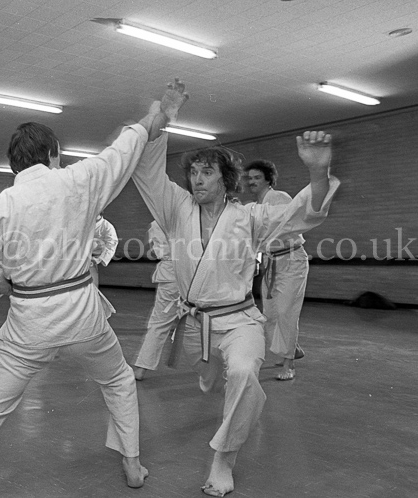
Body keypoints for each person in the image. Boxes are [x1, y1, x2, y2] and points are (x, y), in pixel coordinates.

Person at [0, 84, 185, 497]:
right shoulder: (80, 179)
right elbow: (124, 149)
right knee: (119, 381)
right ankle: (133, 465)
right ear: (54, 153)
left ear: (14, 163)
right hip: (83, 318)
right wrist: (158, 116)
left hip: (27, 324)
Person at [131, 80, 339, 497]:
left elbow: (303, 214)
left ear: (227, 181)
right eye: (193, 171)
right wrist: (161, 120)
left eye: (207, 171)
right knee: (212, 382)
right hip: (196, 326)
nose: (196, 178)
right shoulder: (175, 209)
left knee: (244, 373)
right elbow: (148, 171)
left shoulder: (251, 218)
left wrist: (318, 171)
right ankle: (242, 402)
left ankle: (223, 460)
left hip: (240, 319)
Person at [131, 220, 180, 380]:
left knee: (159, 322)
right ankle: (219, 371)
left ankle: (141, 369)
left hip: (169, 273)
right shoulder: (193, 217)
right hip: (194, 272)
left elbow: (147, 246)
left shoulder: (156, 222)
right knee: (210, 320)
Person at [89, 213, 118, 286]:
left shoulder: (107, 226)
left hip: (97, 259)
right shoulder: (85, 225)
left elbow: (111, 243)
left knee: (93, 283)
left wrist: (100, 259)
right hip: (84, 257)